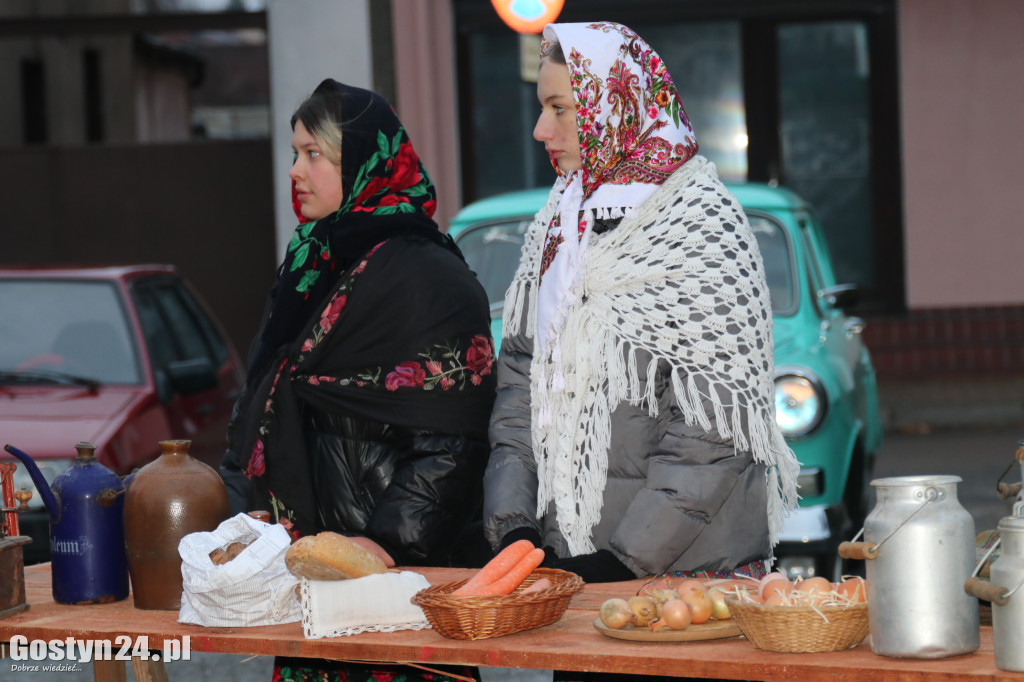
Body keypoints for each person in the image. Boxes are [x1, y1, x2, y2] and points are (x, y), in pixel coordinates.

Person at [483, 22, 801, 586]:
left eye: (559, 108)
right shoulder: (556, 226)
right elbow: (519, 392)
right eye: (541, 107)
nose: (539, 129)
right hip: (571, 568)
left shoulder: (701, 226)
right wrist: (514, 526)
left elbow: (712, 431)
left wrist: (623, 561)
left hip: (687, 582)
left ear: (615, 105)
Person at [219, 78, 496, 681]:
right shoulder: (310, 260)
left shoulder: (428, 276)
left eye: (314, 155)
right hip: (309, 580)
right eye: (294, 153)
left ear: (368, 163)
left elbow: (453, 442)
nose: (296, 170)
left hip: (398, 590)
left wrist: (382, 547)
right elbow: (266, 396)